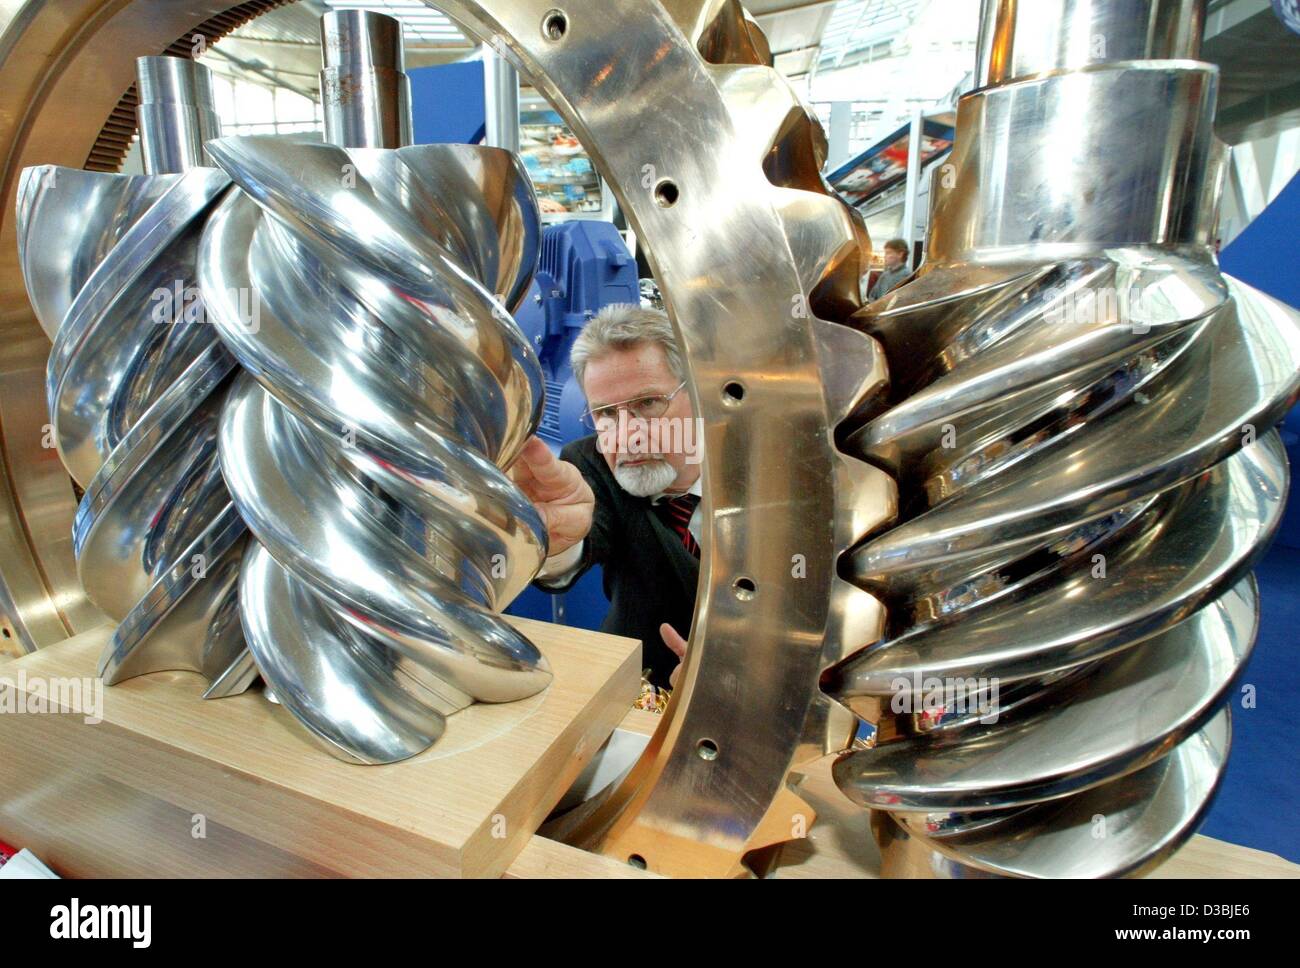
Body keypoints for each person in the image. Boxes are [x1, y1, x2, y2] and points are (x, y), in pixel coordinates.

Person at [509, 305, 700, 693]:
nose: (627, 434)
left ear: (700, 397)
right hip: (643, 690)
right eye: (606, 413)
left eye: (648, 404)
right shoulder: (588, 462)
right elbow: (582, 533)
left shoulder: (762, 467)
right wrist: (554, 540)